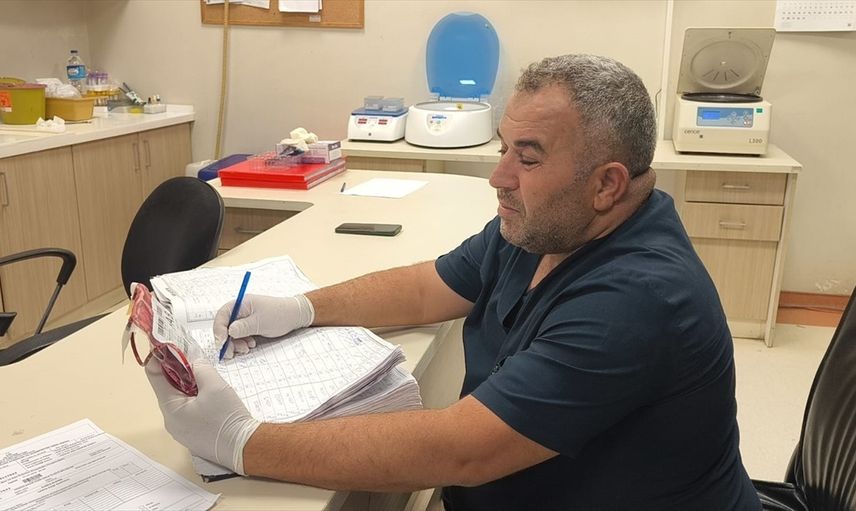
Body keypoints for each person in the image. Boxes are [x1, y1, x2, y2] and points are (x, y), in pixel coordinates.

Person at [146, 54, 761, 510]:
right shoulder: (546, 226)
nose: (499, 177)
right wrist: (302, 308)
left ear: (607, 184)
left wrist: (242, 442)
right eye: (503, 149)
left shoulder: (639, 298)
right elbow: (427, 286)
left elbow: (463, 449)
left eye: (527, 157)